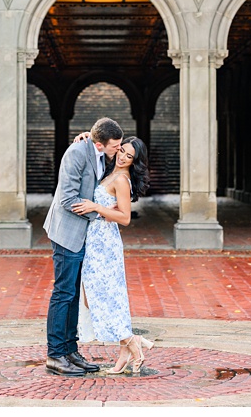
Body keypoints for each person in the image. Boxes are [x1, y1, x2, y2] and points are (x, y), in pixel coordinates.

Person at [43, 116, 123, 376]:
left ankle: (70, 350)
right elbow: (67, 198)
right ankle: (55, 355)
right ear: (100, 144)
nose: (118, 150)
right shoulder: (77, 152)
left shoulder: (96, 149)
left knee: (74, 295)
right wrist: (98, 212)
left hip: (83, 234)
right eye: (114, 146)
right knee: (63, 293)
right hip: (67, 233)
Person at [72, 136, 155, 374]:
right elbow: (101, 141)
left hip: (105, 243)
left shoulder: (121, 179)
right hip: (95, 240)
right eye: (122, 151)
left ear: (134, 161)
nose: (122, 157)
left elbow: (126, 218)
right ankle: (127, 347)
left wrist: (96, 207)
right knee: (96, 297)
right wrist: (85, 136)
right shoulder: (110, 170)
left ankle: (132, 344)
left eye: (129, 157)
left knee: (102, 297)